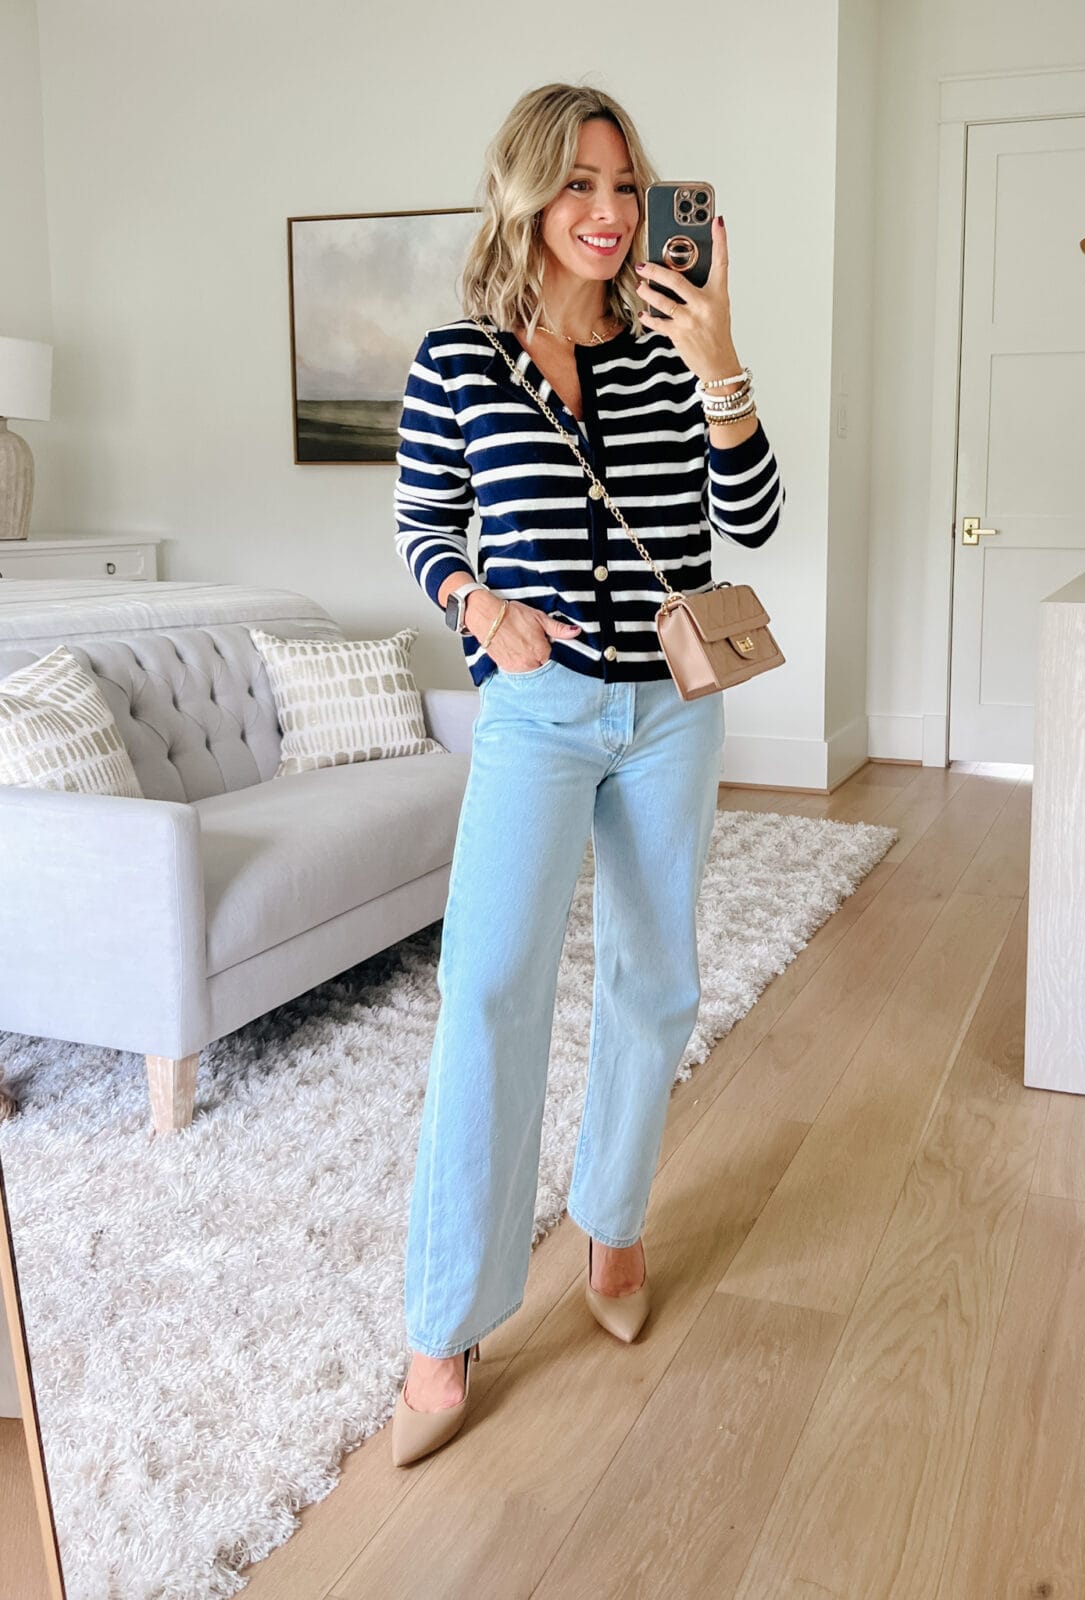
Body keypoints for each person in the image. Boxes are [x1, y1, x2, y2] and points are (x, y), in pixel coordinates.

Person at [390, 80, 785, 1466]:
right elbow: (423, 524)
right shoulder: (458, 359)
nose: (611, 213)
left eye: (626, 185)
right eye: (579, 185)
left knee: (654, 976)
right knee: (490, 984)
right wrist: (481, 614)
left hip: (673, 708)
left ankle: (614, 1233)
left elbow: (752, 517)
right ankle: (445, 1322)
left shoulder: (677, 349)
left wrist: (725, 364)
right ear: (528, 197)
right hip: (541, 711)